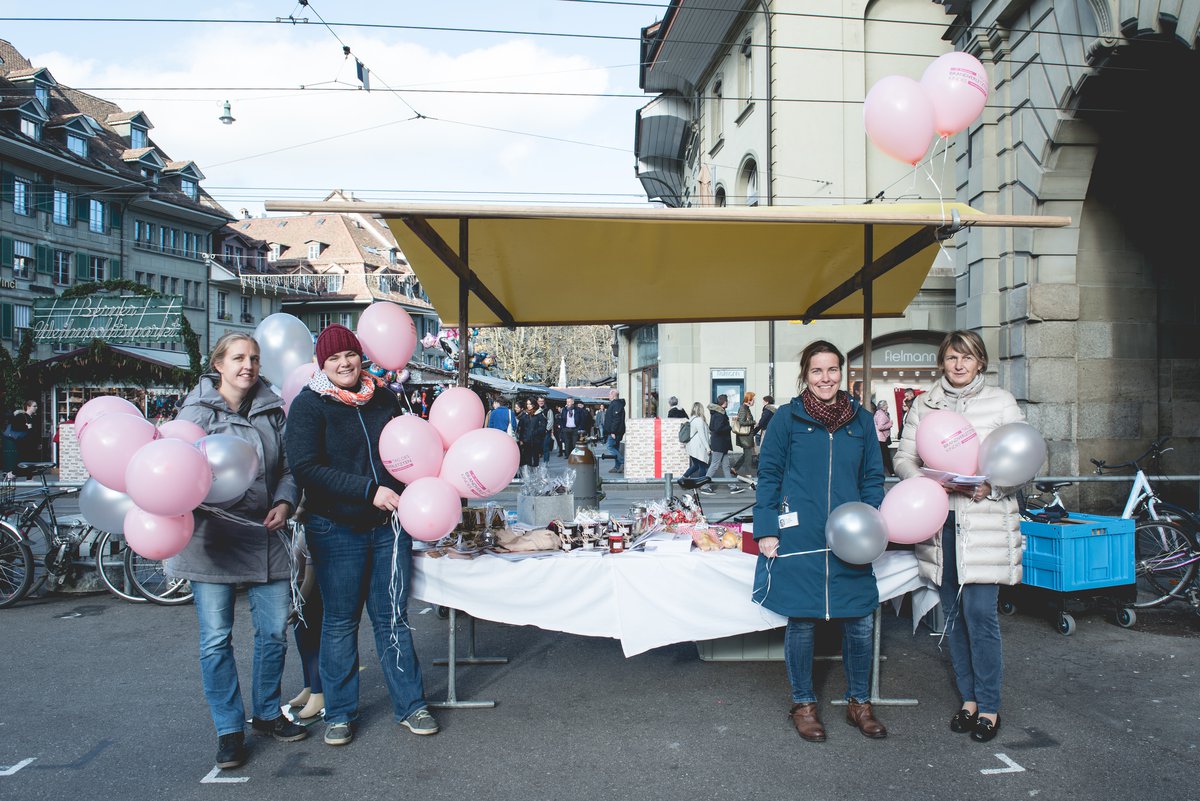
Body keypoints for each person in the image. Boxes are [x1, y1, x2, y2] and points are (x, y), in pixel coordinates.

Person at [285, 324, 439, 748]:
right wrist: (368, 490)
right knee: (339, 622)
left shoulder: (386, 397)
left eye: (349, 354)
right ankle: (339, 713)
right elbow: (306, 467)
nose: (344, 363)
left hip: (389, 527)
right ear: (322, 365)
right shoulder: (309, 405)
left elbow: (407, 451)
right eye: (333, 358)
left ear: (360, 355)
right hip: (335, 528)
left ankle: (411, 705)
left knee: (392, 618)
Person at [165, 333, 307, 770]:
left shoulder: (273, 408)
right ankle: (228, 730)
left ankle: (266, 714)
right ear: (219, 364)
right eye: (239, 358)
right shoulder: (196, 411)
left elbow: (289, 465)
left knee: (273, 634)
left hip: (267, 534)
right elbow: (175, 468)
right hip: (213, 539)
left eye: (254, 358)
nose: (248, 365)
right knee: (215, 640)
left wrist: (285, 501)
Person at [751, 340, 887, 743]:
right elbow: (770, 476)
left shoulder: (861, 421)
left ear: (841, 374)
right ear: (805, 375)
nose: (825, 378)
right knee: (802, 621)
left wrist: (870, 520)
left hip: (851, 536)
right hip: (801, 533)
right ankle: (804, 704)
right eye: (817, 371)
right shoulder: (785, 420)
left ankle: (859, 703)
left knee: (860, 621)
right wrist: (767, 527)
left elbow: (872, 479)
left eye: (832, 370)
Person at [893, 330, 1023, 744]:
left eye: (966, 357)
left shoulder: (1001, 402)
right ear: (942, 362)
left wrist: (994, 487)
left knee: (981, 615)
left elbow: (1022, 459)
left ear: (980, 361)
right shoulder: (924, 403)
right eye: (951, 357)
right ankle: (968, 699)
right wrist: (930, 482)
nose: (959, 364)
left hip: (985, 520)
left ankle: (989, 705)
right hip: (940, 520)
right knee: (951, 615)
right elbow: (903, 457)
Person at [701, 394, 732, 494]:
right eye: (727, 401)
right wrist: (729, 427)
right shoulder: (719, 414)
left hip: (721, 444)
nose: (728, 403)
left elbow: (711, 427)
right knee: (714, 465)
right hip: (720, 444)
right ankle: (704, 485)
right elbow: (718, 429)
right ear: (724, 402)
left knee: (726, 466)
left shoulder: (716, 413)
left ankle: (732, 485)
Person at [4, 399, 38, 471]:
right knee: (23, 460)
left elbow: (34, 432)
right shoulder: (21, 416)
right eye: (34, 406)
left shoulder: (33, 417)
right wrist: (26, 427)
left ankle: (29, 479)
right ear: (28, 407)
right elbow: (15, 426)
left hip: (30, 443)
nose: (36, 408)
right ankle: (12, 474)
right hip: (23, 443)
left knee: (30, 461)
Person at [731, 391, 758, 480]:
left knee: (747, 454)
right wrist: (753, 422)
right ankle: (748, 473)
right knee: (748, 455)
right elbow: (742, 422)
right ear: (749, 400)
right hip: (745, 436)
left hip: (747, 436)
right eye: (753, 399)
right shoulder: (743, 408)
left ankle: (734, 468)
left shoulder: (746, 408)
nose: (754, 401)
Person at [682, 402, 710, 479]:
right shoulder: (699, 420)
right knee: (702, 466)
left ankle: (683, 478)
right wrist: (708, 448)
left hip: (692, 447)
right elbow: (702, 435)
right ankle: (702, 484)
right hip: (698, 447)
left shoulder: (691, 419)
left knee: (696, 466)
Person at [603, 389, 626, 473]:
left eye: (609, 394)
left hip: (615, 432)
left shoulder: (616, 404)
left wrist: (613, 431)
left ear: (613, 394)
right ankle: (617, 466)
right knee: (615, 447)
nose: (608, 396)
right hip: (614, 431)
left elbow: (616, 419)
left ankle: (623, 462)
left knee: (610, 447)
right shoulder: (615, 404)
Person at [518, 398, 546, 467]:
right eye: (527, 404)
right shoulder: (524, 415)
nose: (528, 405)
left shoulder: (539, 414)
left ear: (533, 404)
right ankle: (529, 474)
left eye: (530, 404)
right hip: (526, 440)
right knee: (527, 457)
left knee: (535, 457)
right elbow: (521, 428)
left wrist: (535, 432)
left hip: (536, 439)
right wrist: (521, 438)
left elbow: (543, 426)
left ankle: (535, 473)